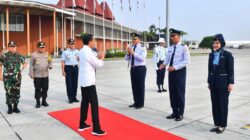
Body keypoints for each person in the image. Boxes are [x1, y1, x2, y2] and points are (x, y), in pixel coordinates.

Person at [78, 34, 106, 136]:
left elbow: (90, 60)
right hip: (89, 82)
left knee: (85, 102)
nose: (94, 42)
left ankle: (82, 124)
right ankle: (96, 128)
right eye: (93, 40)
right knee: (94, 104)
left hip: (83, 81)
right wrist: (102, 58)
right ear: (89, 41)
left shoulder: (82, 50)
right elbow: (98, 64)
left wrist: (97, 57)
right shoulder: (88, 51)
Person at [160, 28, 190, 121]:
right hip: (171, 72)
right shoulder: (170, 48)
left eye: (174, 36)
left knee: (179, 93)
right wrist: (164, 64)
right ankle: (174, 112)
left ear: (178, 37)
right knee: (172, 92)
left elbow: (187, 61)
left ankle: (180, 113)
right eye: (171, 36)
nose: (172, 37)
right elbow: (168, 58)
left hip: (180, 72)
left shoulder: (184, 47)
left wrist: (175, 67)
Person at [208, 34, 234, 134]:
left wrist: (231, 83)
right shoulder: (211, 55)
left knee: (223, 104)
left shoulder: (227, 54)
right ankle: (217, 124)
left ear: (222, 43)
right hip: (213, 83)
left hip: (223, 84)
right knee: (215, 104)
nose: (215, 44)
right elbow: (209, 70)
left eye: (217, 43)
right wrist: (209, 81)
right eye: (214, 43)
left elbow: (231, 70)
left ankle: (222, 125)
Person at [0, 41, 27, 114]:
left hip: (17, 78)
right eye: (11, 46)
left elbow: (25, 62)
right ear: (8, 47)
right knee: (8, 93)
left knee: (17, 92)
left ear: (16, 47)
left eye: (14, 46)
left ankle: (15, 107)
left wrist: (23, 67)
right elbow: (0, 65)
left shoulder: (20, 56)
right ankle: (9, 108)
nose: (12, 48)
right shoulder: (4, 56)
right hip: (7, 78)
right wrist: (0, 75)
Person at [125, 33, 147, 109]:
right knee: (134, 86)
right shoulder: (131, 47)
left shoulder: (142, 47)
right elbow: (126, 59)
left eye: (135, 39)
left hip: (140, 68)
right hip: (133, 68)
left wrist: (133, 53)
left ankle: (140, 103)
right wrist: (128, 53)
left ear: (139, 40)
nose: (133, 40)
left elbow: (142, 58)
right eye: (132, 39)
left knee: (140, 86)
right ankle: (136, 102)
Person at [29, 42, 52, 108]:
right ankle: (38, 102)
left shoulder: (47, 54)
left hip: (45, 75)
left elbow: (50, 61)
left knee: (45, 88)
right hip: (37, 75)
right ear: (38, 47)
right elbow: (31, 64)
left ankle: (44, 101)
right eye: (40, 47)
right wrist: (31, 74)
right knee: (37, 89)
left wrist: (50, 66)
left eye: (43, 47)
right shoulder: (34, 55)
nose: (42, 49)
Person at [61, 39, 79, 104]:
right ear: (68, 44)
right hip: (68, 68)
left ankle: (74, 97)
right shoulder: (65, 52)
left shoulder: (77, 51)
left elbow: (80, 59)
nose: (72, 45)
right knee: (69, 84)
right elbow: (63, 62)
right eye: (71, 44)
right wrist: (63, 71)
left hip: (75, 67)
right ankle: (70, 98)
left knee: (75, 83)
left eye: (73, 43)